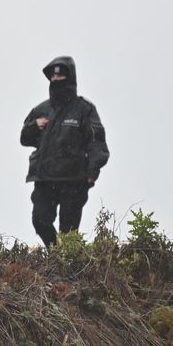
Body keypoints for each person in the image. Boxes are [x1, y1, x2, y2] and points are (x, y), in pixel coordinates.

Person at [19, 56, 109, 246]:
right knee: (40, 221)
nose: (56, 78)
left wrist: (93, 171)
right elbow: (24, 138)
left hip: (74, 181)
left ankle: (67, 267)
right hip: (45, 179)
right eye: (53, 75)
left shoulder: (84, 109)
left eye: (60, 75)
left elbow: (97, 141)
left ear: (70, 77)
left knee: (68, 232)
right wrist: (35, 126)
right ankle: (56, 257)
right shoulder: (41, 109)